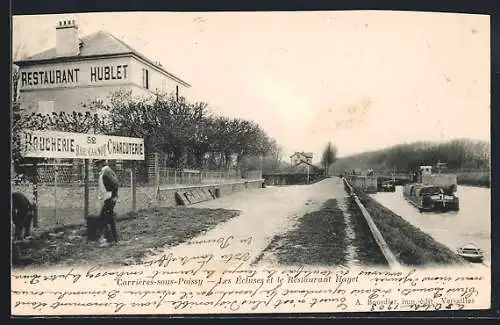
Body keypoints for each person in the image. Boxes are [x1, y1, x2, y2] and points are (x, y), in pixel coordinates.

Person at [95, 159, 120, 246]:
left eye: (98, 165)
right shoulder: (105, 171)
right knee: (109, 219)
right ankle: (113, 239)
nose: (97, 167)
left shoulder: (106, 171)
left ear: (101, 164)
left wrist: (114, 195)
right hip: (108, 198)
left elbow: (115, 184)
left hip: (110, 198)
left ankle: (105, 239)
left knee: (103, 218)